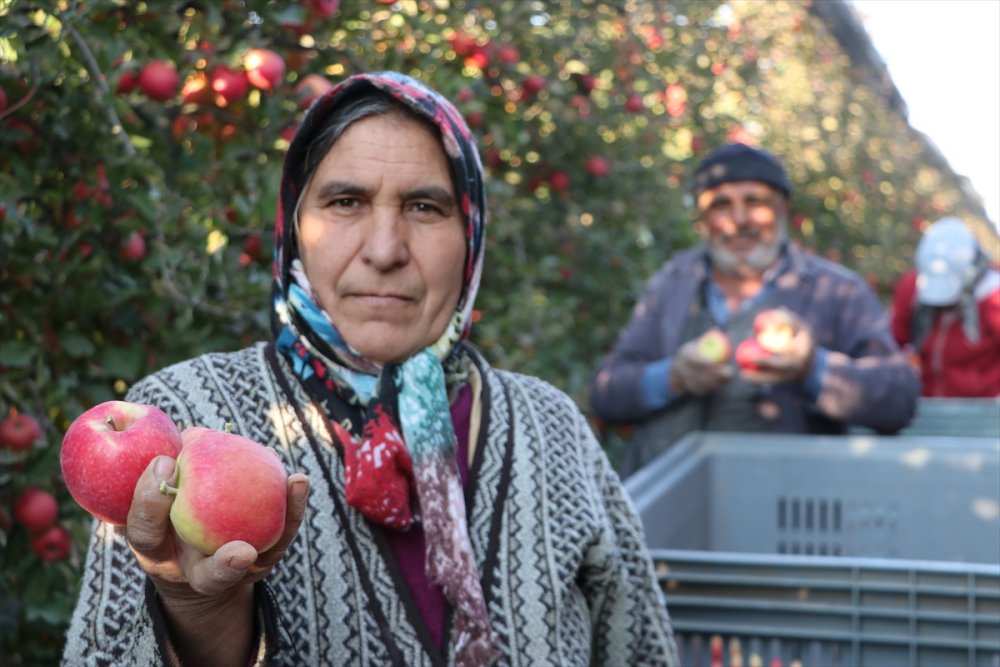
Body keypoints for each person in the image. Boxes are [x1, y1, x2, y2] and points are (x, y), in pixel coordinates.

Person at [61, 72, 679, 666]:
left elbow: (641, 650)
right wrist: (195, 608)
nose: (385, 250)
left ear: (472, 234)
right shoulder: (183, 417)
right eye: (346, 201)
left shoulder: (550, 429)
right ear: (294, 227)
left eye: (424, 207)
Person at [589, 142, 920, 476]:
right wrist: (673, 377)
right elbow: (606, 393)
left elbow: (898, 399)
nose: (739, 219)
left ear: (783, 208)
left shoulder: (836, 291)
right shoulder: (671, 285)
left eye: (755, 202)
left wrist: (812, 369)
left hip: (783, 506)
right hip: (670, 509)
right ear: (702, 219)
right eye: (721, 205)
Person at [891, 216, 1000, 397]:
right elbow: (894, 340)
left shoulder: (993, 297)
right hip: (923, 404)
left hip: (982, 411)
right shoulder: (912, 288)